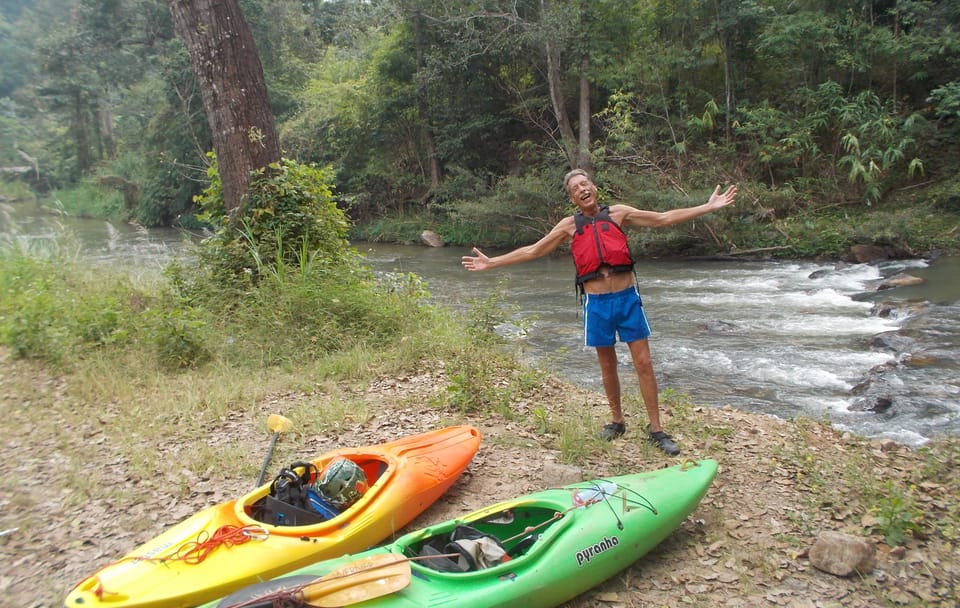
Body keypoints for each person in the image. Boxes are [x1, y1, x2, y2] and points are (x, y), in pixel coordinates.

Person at [461, 169, 737, 455]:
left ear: (594, 187)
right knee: (608, 365)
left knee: (643, 362)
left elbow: (663, 218)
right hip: (597, 304)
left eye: (585, 183)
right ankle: (617, 421)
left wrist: (708, 206)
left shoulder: (618, 213)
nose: (582, 189)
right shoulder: (569, 226)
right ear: (572, 198)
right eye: (575, 188)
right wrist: (492, 262)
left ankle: (656, 429)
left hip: (627, 299)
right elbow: (533, 251)